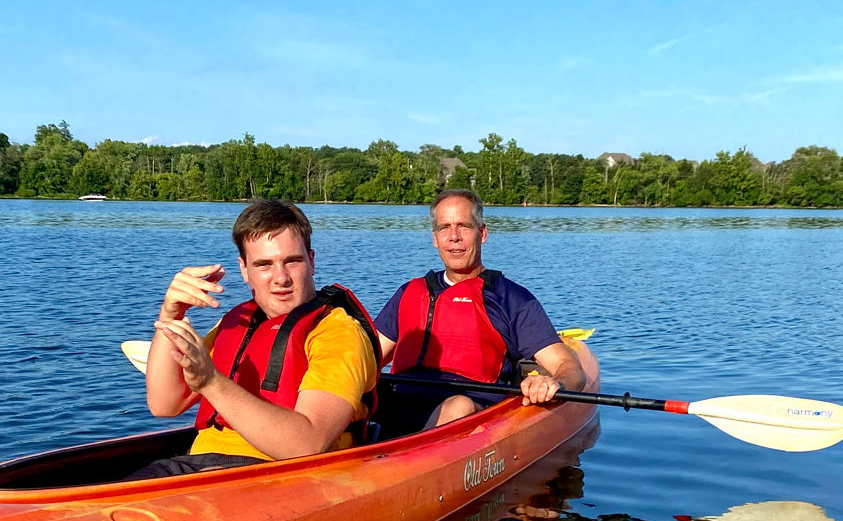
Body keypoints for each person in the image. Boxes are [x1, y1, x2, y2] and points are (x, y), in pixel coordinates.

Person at [138, 199, 379, 477]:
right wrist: (171, 314)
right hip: (201, 466)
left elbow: (309, 444)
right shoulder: (237, 323)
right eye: (264, 264)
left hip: (280, 477)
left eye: (292, 261)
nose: (280, 278)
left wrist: (210, 381)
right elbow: (164, 404)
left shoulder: (338, 332)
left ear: (311, 261)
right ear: (244, 270)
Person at [374, 188, 585, 432]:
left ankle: (402, 462)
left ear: (482, 233)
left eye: (463, 226)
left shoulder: (511, 298)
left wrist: (554, 383)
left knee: (458, 406)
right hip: (399, 403)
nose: (454, 237)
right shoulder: (408, 293)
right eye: (445, 228)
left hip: (469, 417)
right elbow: (369, 359)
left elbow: (570, 368)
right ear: (435, 238)